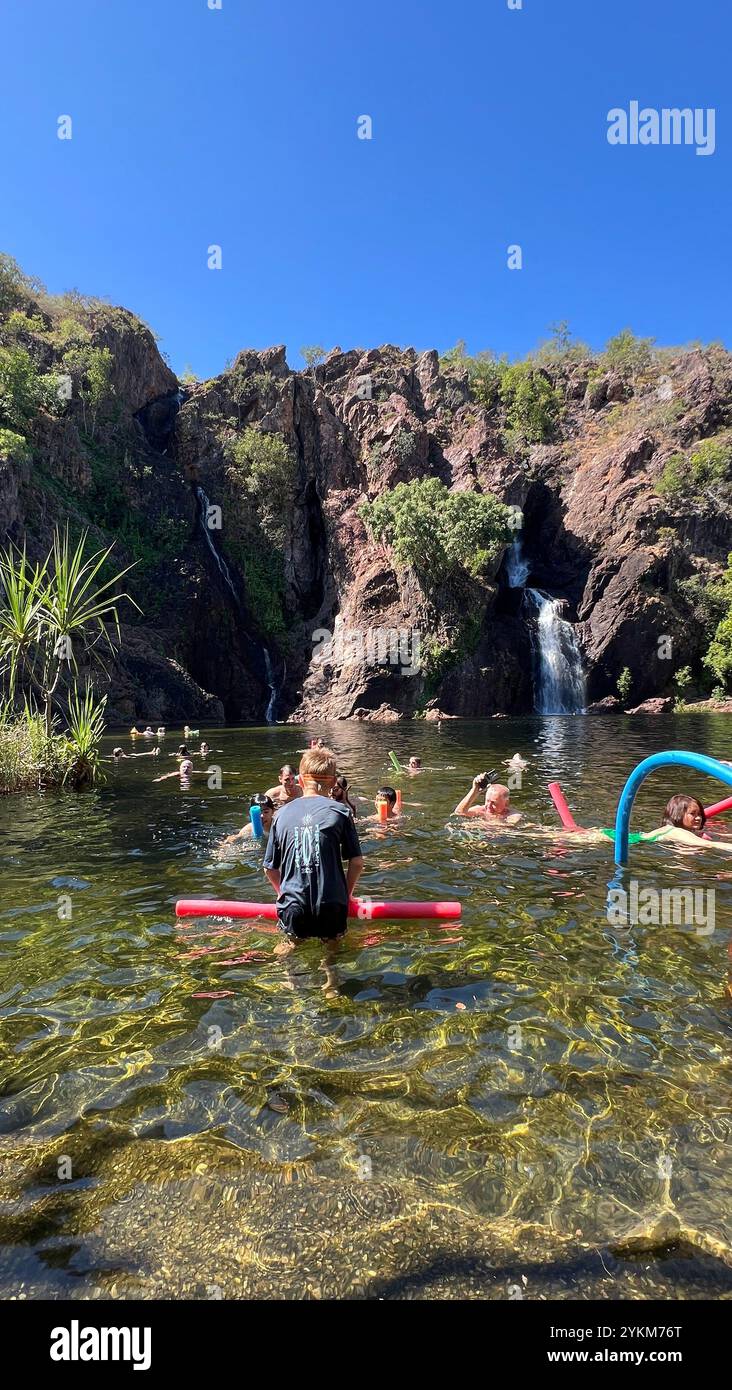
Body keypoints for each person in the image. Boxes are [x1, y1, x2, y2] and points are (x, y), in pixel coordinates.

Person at [264, 747, 364, 954]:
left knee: (290, 947)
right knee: (332, 949)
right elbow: (356, 862)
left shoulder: (280, 815)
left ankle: (288, 979)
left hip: (293, 904)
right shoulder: (341, 811)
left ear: (300, 780)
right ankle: (330, 982)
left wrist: (282, 894)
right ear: (333, 781)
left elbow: (270, 869)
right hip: (331, 903)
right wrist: (347, 895)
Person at [454, 775, 522, 825]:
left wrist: (476, 824)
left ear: (506, 803)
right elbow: (459, 813)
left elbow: (505, 828)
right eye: (487, 801)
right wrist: (475, 790)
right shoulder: (480, 810)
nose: (488, 806)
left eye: (494, 803)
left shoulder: (513, 815)